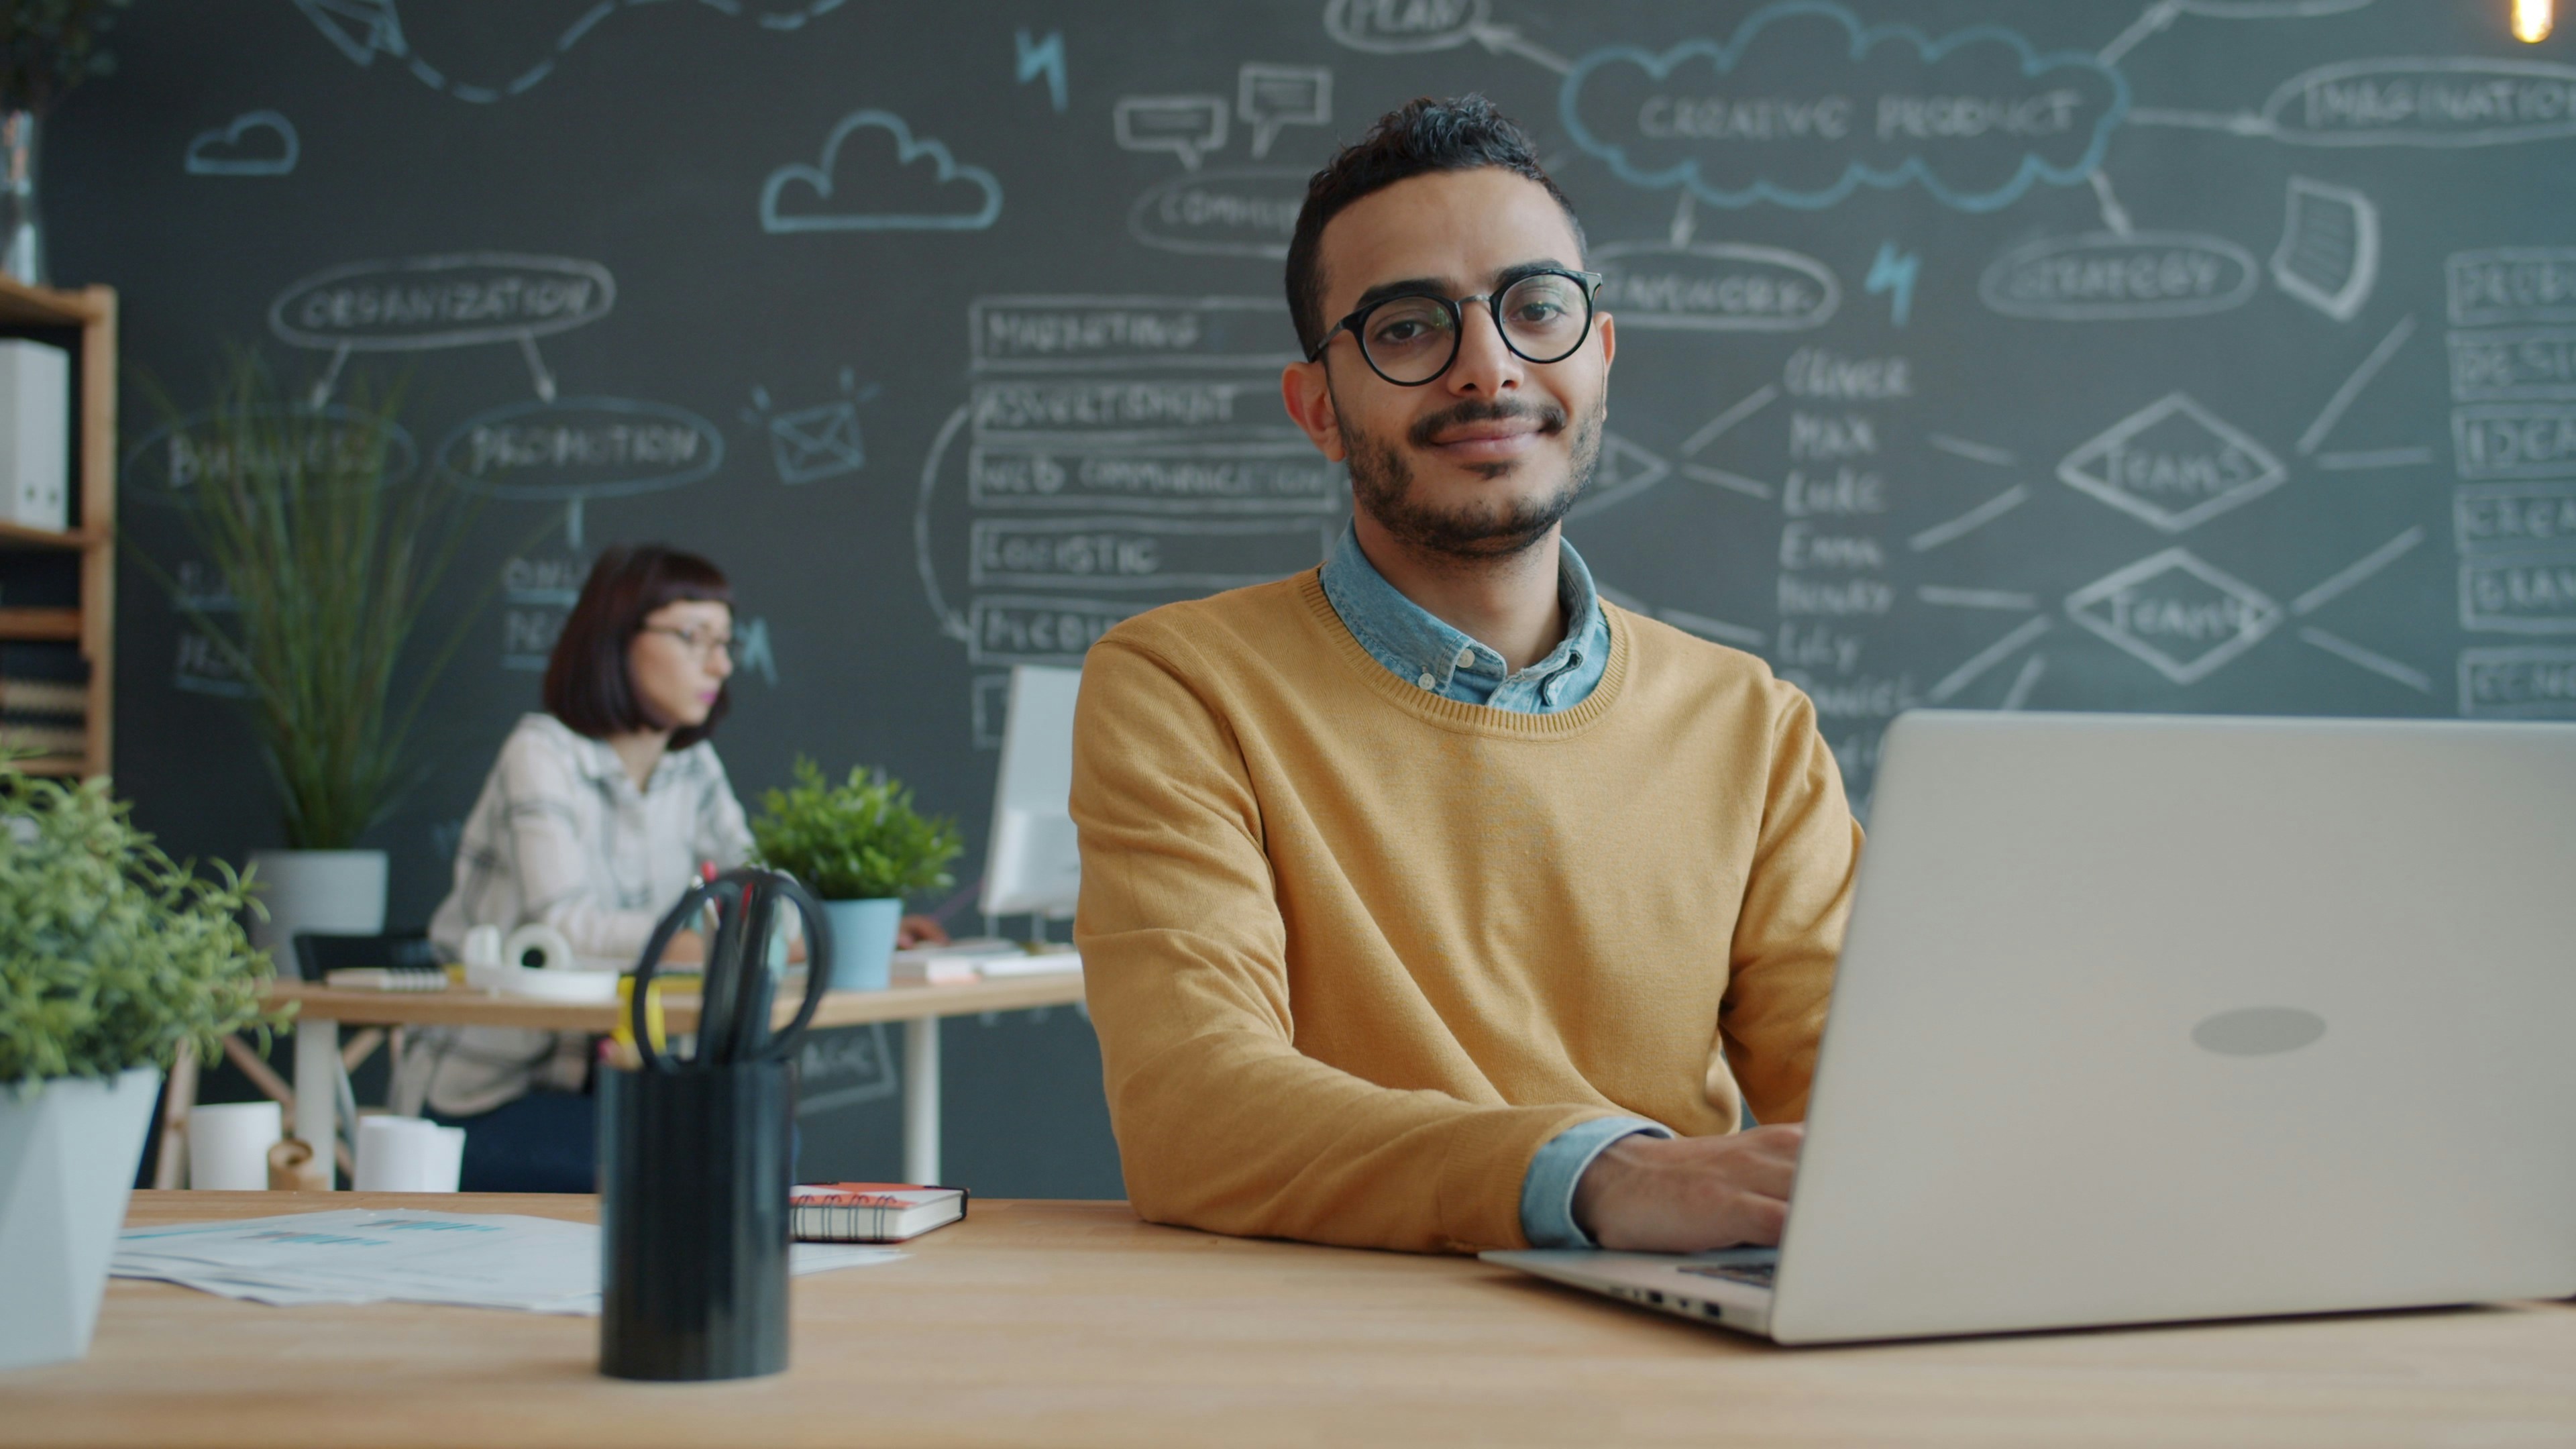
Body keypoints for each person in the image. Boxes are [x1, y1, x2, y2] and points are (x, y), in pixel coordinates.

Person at [1069, 97, 1861, 1255]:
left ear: (1598, 354)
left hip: (1678, 1356)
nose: (1488, 369)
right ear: (1318, 411)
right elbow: (1195, 1109)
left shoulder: (1752, 723)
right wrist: (1601, 1179)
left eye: (1536, 308)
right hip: (1329, 1355)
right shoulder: (1183, 687)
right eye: (1405, 328)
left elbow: (1866, 1102)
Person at [395, 543, 943, 1191]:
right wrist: (715, 942)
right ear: (615, 638)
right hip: (483, 1104)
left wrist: (822, 925)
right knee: (719, 1150)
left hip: (614, 1082)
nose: (720, 663)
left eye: (725, 642)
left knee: (764, 1133)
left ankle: (714, 1294)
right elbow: (566, 929)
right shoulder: (540, 753)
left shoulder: (693, 768)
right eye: (693, 637)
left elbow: (762, 890)